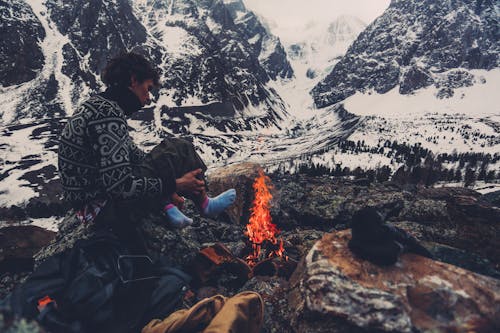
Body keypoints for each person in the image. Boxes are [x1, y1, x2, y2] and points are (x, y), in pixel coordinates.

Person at [58, 52, 236, 251]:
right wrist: (175, 184)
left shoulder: (100, 106)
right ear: (133, 80)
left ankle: (172, 205)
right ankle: (204, 204)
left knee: (167, 154)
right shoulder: (107, 115)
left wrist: (168, 191)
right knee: (178, 149)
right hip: (102, 209)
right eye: (147, 89)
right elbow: (120, 187)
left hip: (93, 202)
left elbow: (136, 158)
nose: (148, 98)